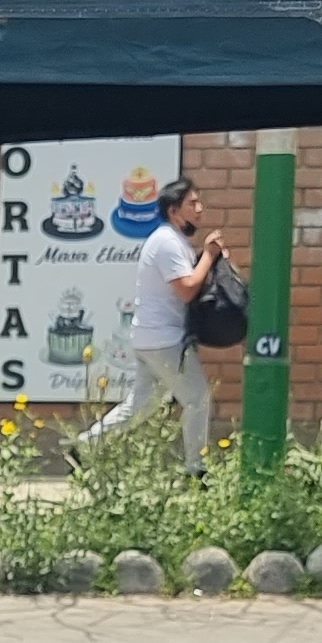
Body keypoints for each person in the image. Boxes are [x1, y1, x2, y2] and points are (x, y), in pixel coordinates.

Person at [84, 173, 227, 468]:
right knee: (197, 398)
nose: (200, 209)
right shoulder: (167, 242)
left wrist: (205, 258)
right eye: (193, 203)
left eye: (200, 203)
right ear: (174, 211)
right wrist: (209, 256)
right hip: (164, 340)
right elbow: (188, 289)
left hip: (152, 338)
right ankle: (196, 470)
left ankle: (85, 447)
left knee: (140, 405)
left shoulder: (173, 242)